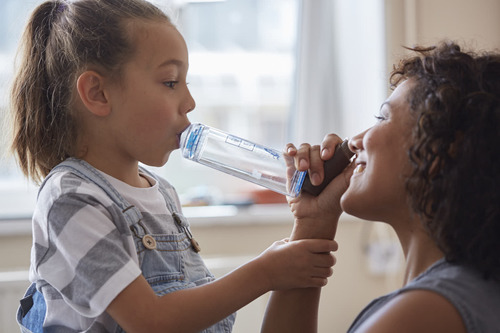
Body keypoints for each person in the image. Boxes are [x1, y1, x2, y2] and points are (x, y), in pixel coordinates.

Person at [10, 1, 337, 332]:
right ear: (98, 93)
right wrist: (266, 272)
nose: (190, 103)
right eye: (170, 82)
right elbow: (152, 321)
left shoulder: (162, 193)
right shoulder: (70, 199)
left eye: (186, 83)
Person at [261, 41, 500, 332]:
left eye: (382, 117)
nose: (356, 140)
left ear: (441, 150)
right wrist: (314, 223)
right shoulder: (460, 291)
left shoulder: (423, 313)